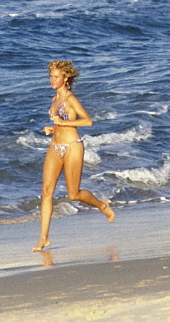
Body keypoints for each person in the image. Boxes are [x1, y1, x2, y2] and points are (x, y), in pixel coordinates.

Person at [33, 60, 114, 252]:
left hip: (72, 147)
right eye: (50, 76)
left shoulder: (70, 98)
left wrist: (62, 122)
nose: (52, 80)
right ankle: (44, 238)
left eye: (56, 76)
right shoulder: (55, 100)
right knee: (46, 191)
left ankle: (101, 205)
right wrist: (54, 127)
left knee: (73, 194)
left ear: (65, 77)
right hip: (55, 145)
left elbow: (87, 121)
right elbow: (63, 122)